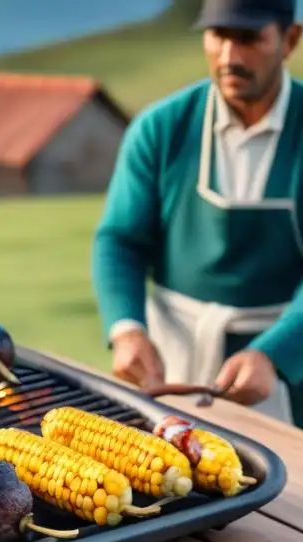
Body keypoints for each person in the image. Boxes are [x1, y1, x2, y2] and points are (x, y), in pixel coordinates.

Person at [92, 0, 303, 426]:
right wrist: (126, 328)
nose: (229, 57)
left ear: (290, 40)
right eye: (218, 36)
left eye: (248, 39)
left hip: (292, 360)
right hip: (176, 356)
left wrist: (275, 353)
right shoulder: (161, 128)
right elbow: (119, 240)